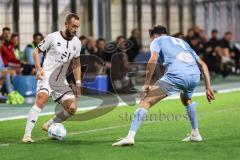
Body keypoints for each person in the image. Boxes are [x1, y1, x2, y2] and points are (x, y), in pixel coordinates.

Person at [112, 25, 215, 146]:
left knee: (145, 101)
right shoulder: (182, 42)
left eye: (151, 38)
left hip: (177, 75)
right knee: (186, 98)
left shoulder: (157, 40)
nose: (151, 41)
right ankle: (195, 134)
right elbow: (203, 64)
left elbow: (153, 60)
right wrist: (208, 87)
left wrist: (146, 84)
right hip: (194, 76)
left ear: (154, 36)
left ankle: (130, 137)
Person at [22, 13, 82, 143]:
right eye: (73, 26)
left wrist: (78, 84)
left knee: (72, 108)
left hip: (61, 81)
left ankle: (49, 124)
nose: (75, 29)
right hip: (47, 76)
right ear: (66, 24)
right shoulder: (52, 37)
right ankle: (27, 135)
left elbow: (77, 64)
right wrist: (39, 68)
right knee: (41, 99)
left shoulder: (77, 43)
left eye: (77, 27)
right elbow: (36, 51)